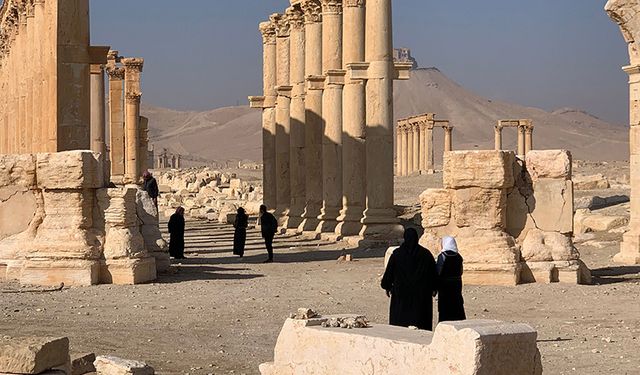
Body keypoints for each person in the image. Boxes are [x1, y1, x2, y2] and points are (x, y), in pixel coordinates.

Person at [381, 228, 437, 330]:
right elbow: (433, 274)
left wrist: (387, 286)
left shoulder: (397, 254)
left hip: (401, 296)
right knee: (421, 327)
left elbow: (389, 274)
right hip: (421, 297)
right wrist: (434, 288)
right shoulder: (426, 254)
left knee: (400, 328)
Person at [436, 236, 466, 322]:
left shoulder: (442, 256)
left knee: (445, 307)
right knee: (457, 304)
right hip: (456, 284)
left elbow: (438, 271)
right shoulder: (459, 257)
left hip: (445, 285)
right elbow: (461, 271)